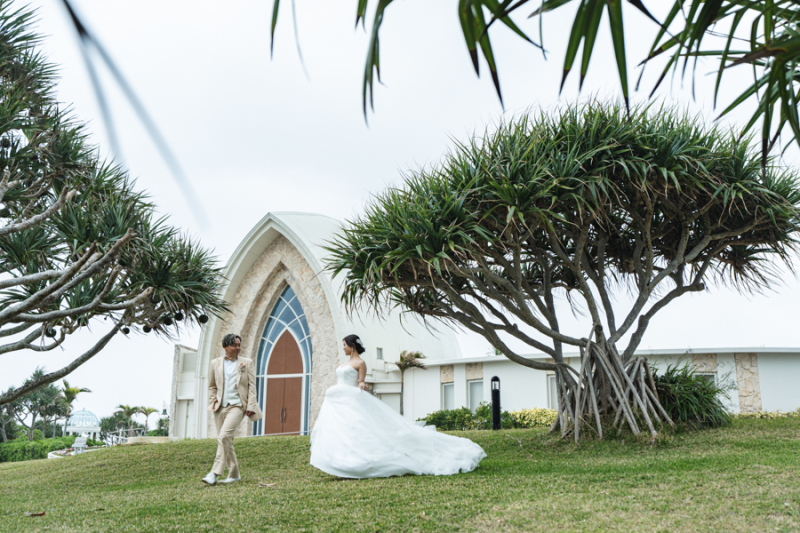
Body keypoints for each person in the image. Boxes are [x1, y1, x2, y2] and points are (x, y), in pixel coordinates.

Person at [310, 334, 486, 478]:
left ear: (352, 346)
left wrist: (362, 385)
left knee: (356, 431)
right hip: (338, 400)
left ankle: (355, 466)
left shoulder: (360, 363)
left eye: (344, 345)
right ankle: (341, 464)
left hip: (351, 399)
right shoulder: (343, 364)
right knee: (340, 431)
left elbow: (361, 381)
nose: (343, 348)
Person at [202, 333, 263, 485]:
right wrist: (213, 400)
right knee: (226, 440)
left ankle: (214, 473)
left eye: (239, 345)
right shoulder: (215, 363)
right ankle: (234, 474)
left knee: (223, 437)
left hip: (238, 406)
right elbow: (212, 385)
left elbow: (252, 387)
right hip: (219, 407)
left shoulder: (246, 363)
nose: (238, 348)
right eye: (235, 345)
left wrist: (250, 406)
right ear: (225, 347)